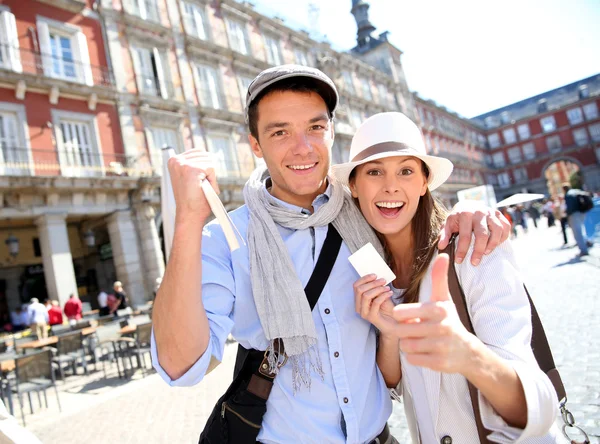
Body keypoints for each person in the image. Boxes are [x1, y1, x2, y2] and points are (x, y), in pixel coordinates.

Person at [151, 65, 511, 443]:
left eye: (315, 128)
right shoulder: (225, 238)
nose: (303, 147)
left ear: (331, 131)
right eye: (280, 132)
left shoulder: (366, 214)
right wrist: (188, 220)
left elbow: (418, 215)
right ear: (255, 144)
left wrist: (469, 214)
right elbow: (180, 366)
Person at [339, 112, 561, 443]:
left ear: (424, 182)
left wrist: (469, 356)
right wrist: (389, 334)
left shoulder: (474, 250)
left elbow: (539, 405)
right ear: (354, 186)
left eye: (406, 170)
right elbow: (396, 386)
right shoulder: (370, 271)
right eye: (374, 172)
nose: (390, 186)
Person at [563, 183, 592, 256]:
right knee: (581, 229)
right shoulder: (576, 191)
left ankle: (583, 250)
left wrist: (567, 215)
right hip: (582, 212)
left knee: (577, 233)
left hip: (574, 215)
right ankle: (586, 242)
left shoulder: (568, 195)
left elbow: (570, 207)